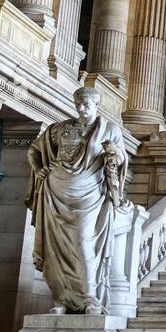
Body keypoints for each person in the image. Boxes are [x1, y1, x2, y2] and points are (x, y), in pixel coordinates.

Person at [26, 87, 131, 314]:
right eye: (78, 104)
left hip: (90, 194)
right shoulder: (59, 129)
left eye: (86, 104)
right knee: (56, 248)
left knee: (84, 243)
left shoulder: (109, 129)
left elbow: (121, 159)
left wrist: (114, 153)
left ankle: (89, 297)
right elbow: (34, 150)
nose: (81, 108)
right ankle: (63, 299)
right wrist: (40, 170)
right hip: (56, 191)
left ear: (96, 105)